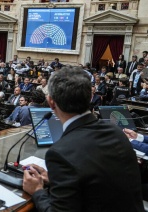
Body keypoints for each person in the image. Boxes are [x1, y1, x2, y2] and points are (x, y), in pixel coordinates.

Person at [22, 66, 143, 212]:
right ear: (91, 97)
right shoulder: (117, 133)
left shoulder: (60, 153)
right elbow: (97, 182)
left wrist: (37, 191)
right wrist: (58, 180)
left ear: (51, 102)